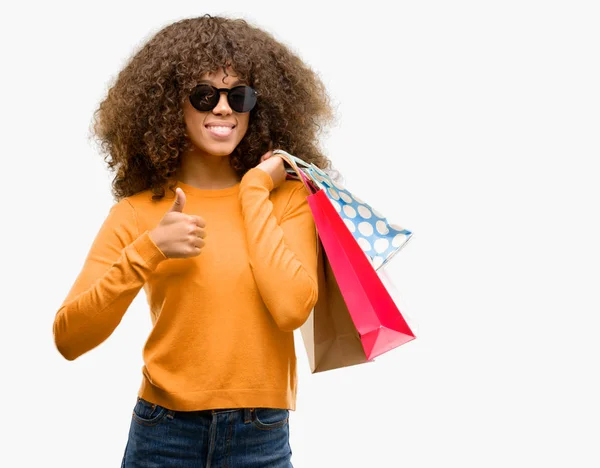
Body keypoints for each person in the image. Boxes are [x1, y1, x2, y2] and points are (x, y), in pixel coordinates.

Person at [52, 14, 335, 467]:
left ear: (255, 107)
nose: (223, 108)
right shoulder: (138, 212)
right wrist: (149, 250)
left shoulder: (284, 199)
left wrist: (254, 190)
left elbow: (291, 308)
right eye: (205, 95)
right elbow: (69, 338)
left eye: (238, 95)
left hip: (260, 434)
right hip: (163, 433)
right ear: (169, 104)